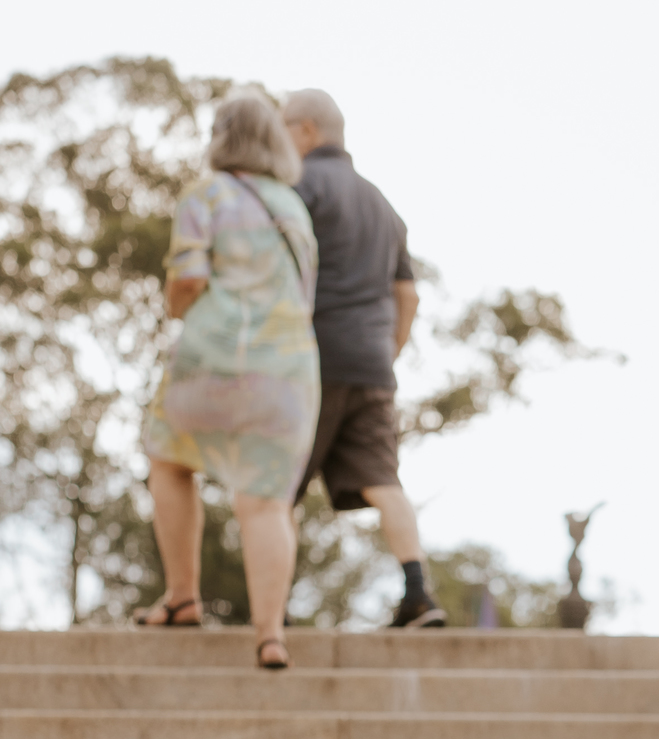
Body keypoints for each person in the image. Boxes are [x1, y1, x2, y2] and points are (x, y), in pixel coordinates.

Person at [138, 93, 320, 670]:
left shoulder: (207, 195)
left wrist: (174, 305)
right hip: (287, 373)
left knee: (168, 460)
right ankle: (270, 635)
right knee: (265, 502)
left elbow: (188, 279)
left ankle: (182, 596)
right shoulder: (293, 208)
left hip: (214, 360)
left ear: (220, 137)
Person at [281, 89, 446, 630]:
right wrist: (387, 349)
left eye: (284, 128)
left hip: (311, 361)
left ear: (307, 130)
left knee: (278, 486)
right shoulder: (383, 205)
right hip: (373, 364)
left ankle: (273, 607)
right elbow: (408, 296)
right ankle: (418, 593)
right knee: (383, 479)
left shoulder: (299, 187)